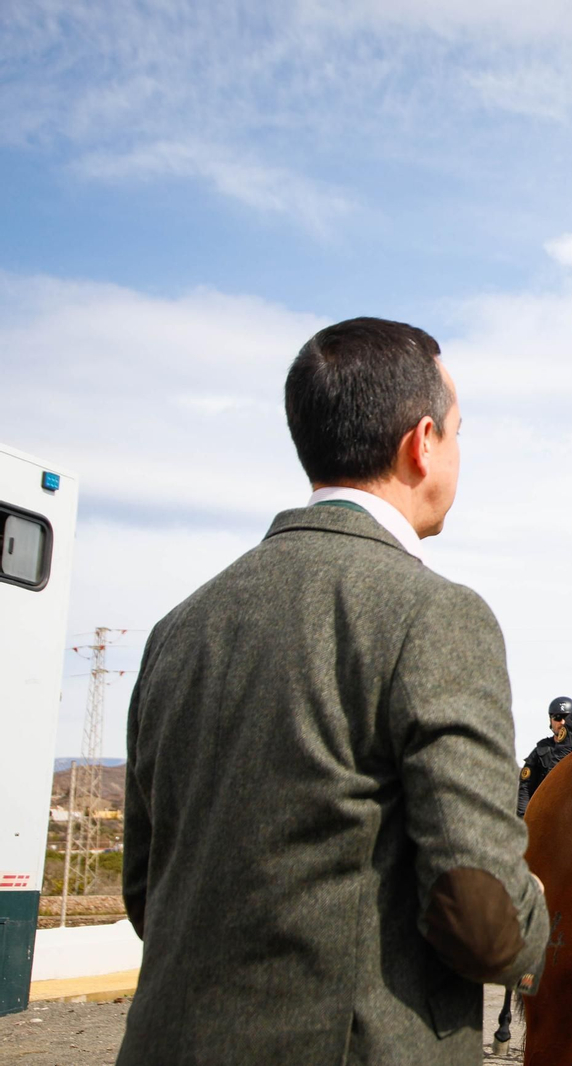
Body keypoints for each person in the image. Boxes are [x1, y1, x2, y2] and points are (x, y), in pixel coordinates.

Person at [119, 317, 550, 1065]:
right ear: (423, 443)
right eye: (458, 433)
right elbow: (484, 919)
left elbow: (145, 893)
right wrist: (538, 911)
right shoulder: (436, 614)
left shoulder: (179, 626)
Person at [518, 696, 572, 816]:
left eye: (567, 717)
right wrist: (522, 820)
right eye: (557, 718)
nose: (562, 722)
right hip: (547, 815)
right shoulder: (541, 751)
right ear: (551, 720)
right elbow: (526, 788)